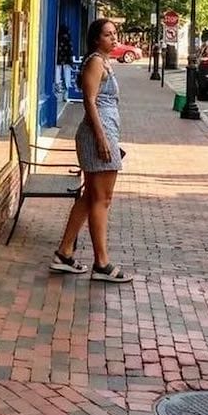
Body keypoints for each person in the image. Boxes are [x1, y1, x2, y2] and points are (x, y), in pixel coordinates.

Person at [50, 17, 133, 283]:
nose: (113, 37)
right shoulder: (96, 62)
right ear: (96, 39)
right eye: (108, 34)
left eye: (114, 33)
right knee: (102, 199)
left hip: (105, 133)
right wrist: (101, 138)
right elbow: (89, 100)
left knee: (90, 197)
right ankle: (102, 263)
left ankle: (64, 253)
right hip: (98, 135)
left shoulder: (104, 61)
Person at [56, 23, 74, 93]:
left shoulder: (59, 37)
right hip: (66, 56)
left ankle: (58, 84)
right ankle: (67, 86)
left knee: (58, 68)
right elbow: (70, 48)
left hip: (59, 55)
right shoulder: (68, 38)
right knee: (67, 69)